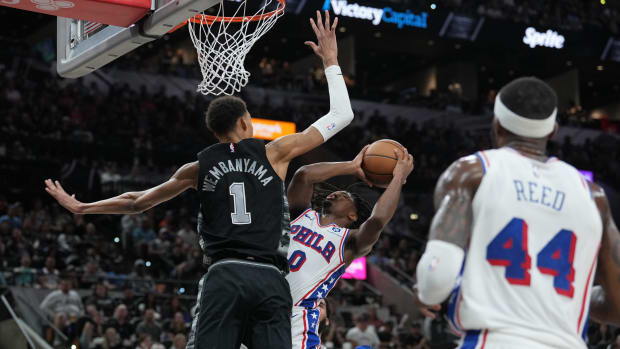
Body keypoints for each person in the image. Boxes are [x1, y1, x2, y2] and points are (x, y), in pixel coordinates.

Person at [45, 10, 354, 349]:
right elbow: (341, 115)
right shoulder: (274, 153)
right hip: (270, 279)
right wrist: (331, 61)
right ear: (243, 123)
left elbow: (137, 201)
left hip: (225, 275)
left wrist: (83, 207)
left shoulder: (197, 168)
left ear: (214, 131)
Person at [413, 77, 620, 348]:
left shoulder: (470, 173)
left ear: (496, 124)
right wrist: (556, 295)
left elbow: (436, 278)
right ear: (553, 130)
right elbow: (617, 306)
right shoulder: (595, 197)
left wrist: (426, 292)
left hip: (494, 340)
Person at [286, 145, 414, 349]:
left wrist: (398, 176)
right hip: (259, 303)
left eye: (344, 196)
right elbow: (304, 175)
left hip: (295, 319)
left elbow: (377, 220)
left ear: (353, 216)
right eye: (337, 192)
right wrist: (352, 166)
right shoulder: (301, 215)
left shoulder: (349, 242)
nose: (336, 193)